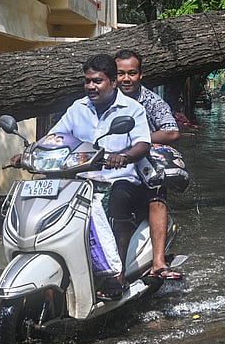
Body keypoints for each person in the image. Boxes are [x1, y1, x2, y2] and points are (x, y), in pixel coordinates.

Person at [45, 53, 153, 299]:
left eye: (97, 81)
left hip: (119, 179)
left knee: (119, 199)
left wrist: (123, 157)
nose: (91, 86)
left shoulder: (132, 109)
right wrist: (29, 151)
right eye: (87, 81)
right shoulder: (77, 108)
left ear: (113, 82)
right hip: (82, 179)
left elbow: (142, 144)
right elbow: (56, 137)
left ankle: (117, 273)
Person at [115, 49, 183, 280]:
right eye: (120, 74)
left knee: (157, 195)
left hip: (144, 166)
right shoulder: (104, 100)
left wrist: (140, 139)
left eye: (131, 73)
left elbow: (172, 132)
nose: (126, 79)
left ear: (140, 75)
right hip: (109, 166)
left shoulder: (151, 101)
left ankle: (158, 262)